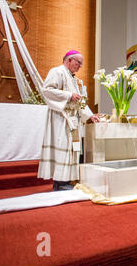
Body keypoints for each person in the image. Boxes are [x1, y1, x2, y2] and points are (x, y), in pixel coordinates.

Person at [38, 50, 101, 191]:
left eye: (81, 64)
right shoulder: (57, 72)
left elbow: (81, 102)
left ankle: (66, 180)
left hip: (73, 120)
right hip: (61, 118)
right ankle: (60, 182)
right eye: (78, 63)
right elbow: (46, 91)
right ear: (69, 60)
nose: (80, 66)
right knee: (63, 149)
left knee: (72, 150)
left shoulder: (76, 81)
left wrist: (90, 116)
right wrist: (68, 95)